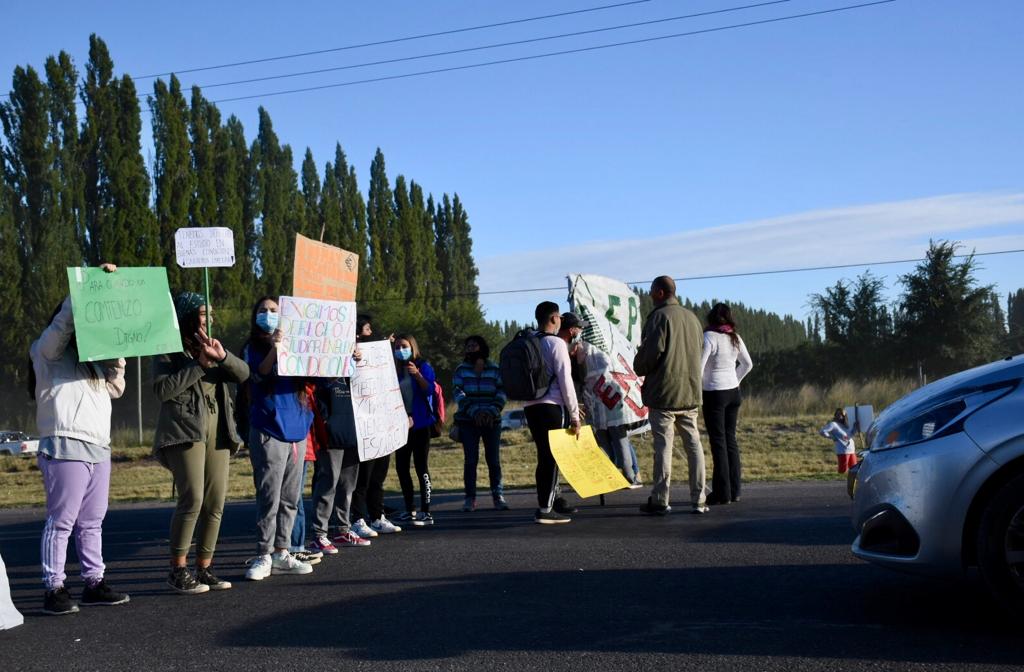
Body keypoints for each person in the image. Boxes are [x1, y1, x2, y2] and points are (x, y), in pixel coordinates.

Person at [29, 263, 129, 615]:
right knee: (62, 521)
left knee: (92, 521)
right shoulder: (45, 351)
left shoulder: (93, 361)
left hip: (99, 448)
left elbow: (117, 387)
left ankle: (93, 582)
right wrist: (85, 293)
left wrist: (116, 346)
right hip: (64, 444)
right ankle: (53, 587)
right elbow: (61, 328)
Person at [153, 292, 250, 595]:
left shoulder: (213, 345)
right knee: (192, 498)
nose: (208, 319)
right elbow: (162, 391)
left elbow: (243, 374)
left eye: (210, 313)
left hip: (219, 432)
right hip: (185, 431)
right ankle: (177, 569)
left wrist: (221, 357)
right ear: (187, 316)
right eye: (202, 313)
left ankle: (204, 567)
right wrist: (197, 364)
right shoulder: (167, 349)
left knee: (215, 503)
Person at [241, 297, 315, 581]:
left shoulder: (298, 342)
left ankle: (282, 551)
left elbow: (319, 374)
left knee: (291, 498)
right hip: (269, 429)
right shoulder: (252, 348)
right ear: (255, 316)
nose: (269, 314)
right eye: (263, 311)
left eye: (274, 311)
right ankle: (263, 554)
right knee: (269, 496)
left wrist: (347, 356)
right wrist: (276, 348)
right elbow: (258, 375)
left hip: (297, 429)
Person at [633, 276, 708, 515]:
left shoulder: (659, 318)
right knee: (694, 447)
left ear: (661, 292)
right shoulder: (693, 318)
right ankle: (699, 498)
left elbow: (651, 354)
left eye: (652, 291)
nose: (650, 295)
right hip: (690, 392)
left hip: (664, 394)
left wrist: (639, 363)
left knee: (663, 448)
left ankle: (660, 499)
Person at [308, 347, 371, 553]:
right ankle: (319, 534)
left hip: (353, 433)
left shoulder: (352, 369)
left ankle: (342, 530)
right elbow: (314, 398)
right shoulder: (320, 372)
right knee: (328, 483)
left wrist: (359, 361)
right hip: (331, 436)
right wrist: (326, 423)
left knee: (348, 485)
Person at [524, 302, 581, 524]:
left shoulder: (529, 342)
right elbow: (566, 381)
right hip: (552, 406)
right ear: (555, 318)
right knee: (551, 459)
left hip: (531, 406)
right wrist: (575, 415)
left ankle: (547, 503)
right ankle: (546, 509)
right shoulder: (556, 343)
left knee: (543, 457)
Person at [349, 314, 401, 536]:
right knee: (363, 477)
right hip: (364, 424)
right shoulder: (350, 355)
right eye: (368, 329)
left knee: (379, 476)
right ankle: (358, 518)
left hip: (382, 422)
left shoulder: (378, 355)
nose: (372, 333)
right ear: (358, 332)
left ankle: (378, 516)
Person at [700, 303, 753, 505]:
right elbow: (748, 364)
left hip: (714, 393)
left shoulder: (709, 337)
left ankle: (722, 493)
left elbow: (699, 368)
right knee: (731, 441)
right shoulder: (735, 337)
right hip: (733, 393)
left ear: (710, 318)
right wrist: (735, 380)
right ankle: (735, 490)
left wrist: (700, 390)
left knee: (718, 443)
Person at [452, 335, 508, 512]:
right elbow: (458, 393)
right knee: (470, 460)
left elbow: (502, 391)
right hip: (469, 421)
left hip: (492, 421)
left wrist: (491, 411)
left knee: (493, 460)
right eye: (467, 345)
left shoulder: (495, 368)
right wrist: (474, 411)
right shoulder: (461, 370)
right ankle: (470, 498)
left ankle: (498, 496)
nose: (470, 348)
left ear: (482, 347)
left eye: (474, 345)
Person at [391, 335, 437, 527]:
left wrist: (417, 375)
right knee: (401, 467)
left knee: (421, 467)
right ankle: (410, 508)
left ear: (412, 347)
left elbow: (430, 391)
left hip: (421, 423)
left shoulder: (423, 365)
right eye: (397, 347)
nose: (401, 350)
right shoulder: (393, 369)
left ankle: (426, 511)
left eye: (404, 346)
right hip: (401, 424)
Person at [821, 409, 858, 473]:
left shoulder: (845, 425)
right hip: (843, 451)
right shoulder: (833, 424)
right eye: (837, 414)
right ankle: (839, 483)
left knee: (854, 470)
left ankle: (851, 482)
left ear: (844, 416)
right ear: (835, 415)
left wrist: (855, 428)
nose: (839, 416)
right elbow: (822, 431)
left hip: (852, 450)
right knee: (843, 471)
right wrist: (832, 437)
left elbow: (850, 435)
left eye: (841, 414)